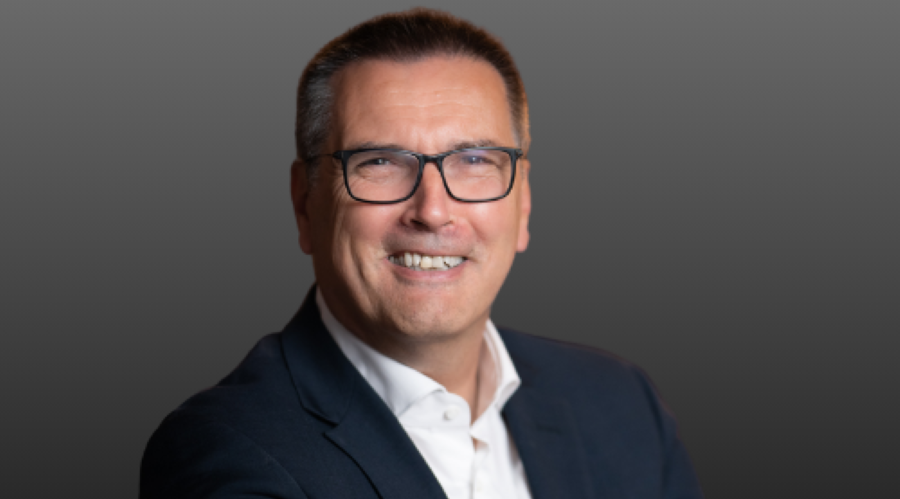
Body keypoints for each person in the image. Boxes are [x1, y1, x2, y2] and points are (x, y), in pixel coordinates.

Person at [140, 8, 703, 499]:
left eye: (476, 161)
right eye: (380, 163)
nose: (432, 211)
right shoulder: (228, 451)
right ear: (305, 206)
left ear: (523, 203)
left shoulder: (621, 405)